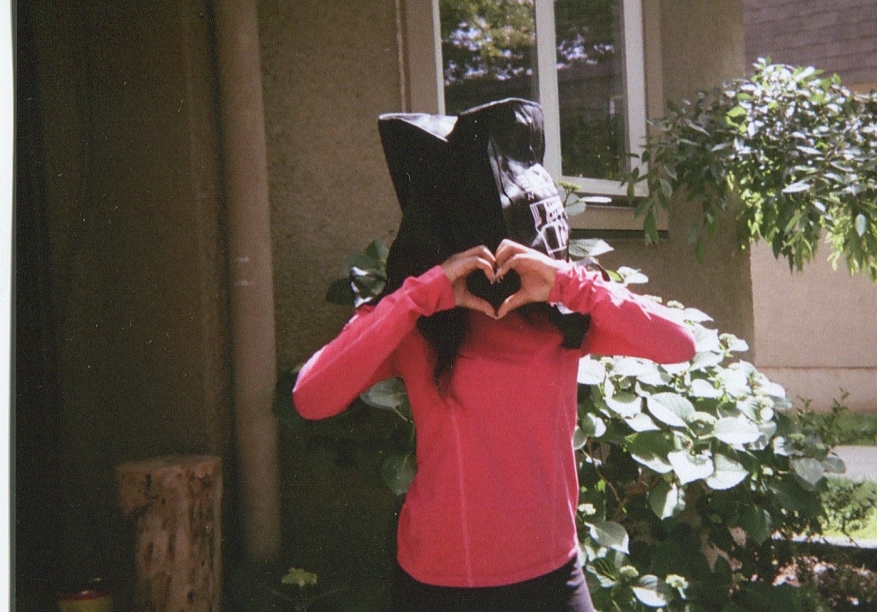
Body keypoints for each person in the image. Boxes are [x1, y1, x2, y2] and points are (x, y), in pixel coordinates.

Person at [292, 237, 696, 612]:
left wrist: (568, 283)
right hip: (439, 582)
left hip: (553, 573)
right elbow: (310, 397)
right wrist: (421, 294)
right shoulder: (420, 321)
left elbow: (680, 343)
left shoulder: (559, 318)